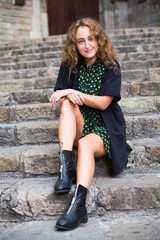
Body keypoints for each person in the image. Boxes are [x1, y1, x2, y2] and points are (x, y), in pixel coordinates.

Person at [49, 17, 132, 231]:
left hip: (104, 129)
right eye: (81, 41)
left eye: (91, 39)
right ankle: (66, 171)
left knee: (85, 143)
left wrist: (73, 92)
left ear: (99, 39)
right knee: (66, 102)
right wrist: (68, 94)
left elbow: (104, 103)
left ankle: (78, 207)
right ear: (74, 44)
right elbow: (59, 96)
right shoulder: (69, 66)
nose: (87, 45)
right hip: (79, 124)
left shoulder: (110, 66)